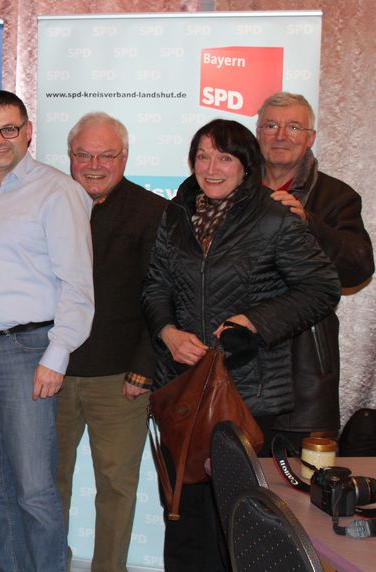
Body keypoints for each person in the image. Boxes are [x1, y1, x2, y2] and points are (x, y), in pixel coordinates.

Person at [142, 119, 341, 571]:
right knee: (184, 518)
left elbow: (322, 287)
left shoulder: (273, 217)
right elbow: (155, 286)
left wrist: (253, 321)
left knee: (240, 524)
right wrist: (168, 332)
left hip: (248, 394)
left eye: (224, 157)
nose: (211, 168)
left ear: (246, 165)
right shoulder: (176, 215)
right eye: (202, 156)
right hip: (183, 391)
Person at [0, 90, 94, 572]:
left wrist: (57, 354)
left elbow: (78, 284)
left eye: (9, 129)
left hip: (26, 351)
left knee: (33, 487)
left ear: (28, 131)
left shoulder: (57, 191)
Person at [55, 112, 166, 572]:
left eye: (106, 155)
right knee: (49, 483)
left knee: (117, 485)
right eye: (83, 154)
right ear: (70, 157)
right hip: (53, 372)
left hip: (122, 378)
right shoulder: (52, 202)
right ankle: (51, 563)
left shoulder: (154, 212)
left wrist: (145, 366)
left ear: (124, 157)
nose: (94, 165)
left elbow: (164, 297)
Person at [255, 92, 374, 448]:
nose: (281, 136)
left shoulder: (336, 196)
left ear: (310, 138)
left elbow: (359, 267)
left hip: (302, 370)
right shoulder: (233, 189)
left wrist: (308, 223)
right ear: (258, 134)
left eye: (294, 127)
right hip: (239, 364)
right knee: (231, 473)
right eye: (271, 126)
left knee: (299, 478)